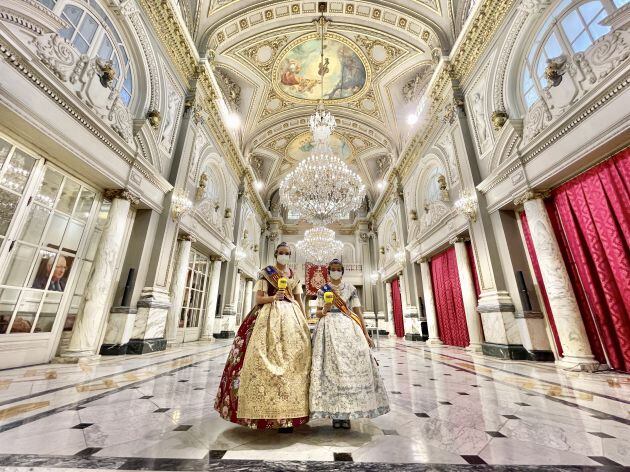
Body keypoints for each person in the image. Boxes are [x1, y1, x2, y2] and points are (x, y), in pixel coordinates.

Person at [215, 243, 311, 431]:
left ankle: (290, 416)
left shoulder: (294, 275)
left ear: (290, 255)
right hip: (267, 317)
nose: (284, 255)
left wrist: (304, 320)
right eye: (281, 253)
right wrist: (275, 298)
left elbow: (299, 300)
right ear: (276, 254)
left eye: (287, 253)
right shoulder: (266, 273)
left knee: (294, 364)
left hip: (293, 319)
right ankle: (261, 414)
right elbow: (259, 299)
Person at [310, 259, 389, 429]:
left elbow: (358, 312)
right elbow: (317, 312)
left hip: (348, 328)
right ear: (328, 271)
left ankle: (348, 412)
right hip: (328, 329)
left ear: (342, 271)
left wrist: (366, 335)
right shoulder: (322, 290)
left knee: (348, 369)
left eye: (339, 269)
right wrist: (325, 309)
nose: (336, 272)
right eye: (333, 269)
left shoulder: (351, 289)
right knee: (331, 370)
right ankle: (333, 412)